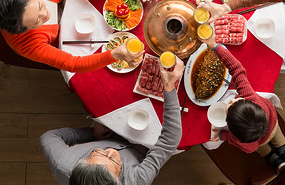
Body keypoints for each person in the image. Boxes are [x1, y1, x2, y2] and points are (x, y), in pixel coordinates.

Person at [39, 57, 184, 185]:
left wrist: (91, 134)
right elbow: (168, 141)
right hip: (143, 145)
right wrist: (169, 87)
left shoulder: (63, 163)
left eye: (97, 154)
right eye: (115, 162)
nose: (111, 151)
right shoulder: (136, 181)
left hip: (107, 130)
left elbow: (48, 137)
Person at [0, 0, 143, 72]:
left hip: (67, 1)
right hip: (66, 35)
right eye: (37, 21)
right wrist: (115, 54)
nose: (46, 15)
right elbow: (73, 63)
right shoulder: (26, 45)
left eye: (40, 6)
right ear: (24, 31)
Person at [201, 32, 285, 174]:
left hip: (259, 141)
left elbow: (251, 148)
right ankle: (284, 150)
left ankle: (272, 156)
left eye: (229, 107)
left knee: (262, 148)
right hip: (273, 124)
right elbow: (237, 69)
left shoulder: (241, 139)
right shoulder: (250, 96)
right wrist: (215, 46)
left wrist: (221, 136)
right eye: (236, 102)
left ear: (230, 126)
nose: (232, 100)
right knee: (277, 136)